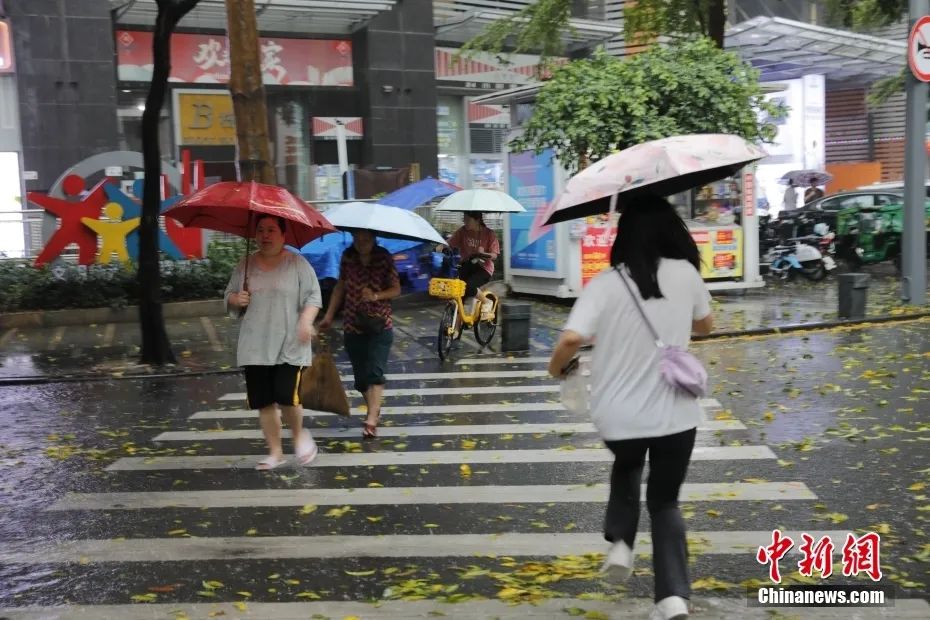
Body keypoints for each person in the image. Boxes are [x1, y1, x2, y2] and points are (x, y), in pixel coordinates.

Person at [547, 194, 714, 620]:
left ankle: (621, 541)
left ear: (623, 237)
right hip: (677, 413)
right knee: (665, 502)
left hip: (619, 413)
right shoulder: (685, 273)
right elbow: (705, 324)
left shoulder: (605, 284)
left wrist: (555, 369)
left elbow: (570, 339)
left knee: (627, 465)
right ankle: (673, 597)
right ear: (668, 230)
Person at [225, 215, 323, 470]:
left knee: (286, 395)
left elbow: (313, 297)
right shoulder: (244, 265)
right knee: (264, 401)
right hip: (255, 345)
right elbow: (228, 296)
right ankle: (276, 452)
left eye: (271, 230)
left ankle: (300, 435)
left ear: (283, 235)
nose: (265, 235)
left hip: (290, 343)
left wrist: (305, 321)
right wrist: (237, 299)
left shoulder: (297, 264)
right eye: (260, 230)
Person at [319, 229, 400, 439]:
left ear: (374, 238)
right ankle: (374, 407)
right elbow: (340, 287)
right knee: (361, 380)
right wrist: (328, 315)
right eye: (357, 238)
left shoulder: (384, 257)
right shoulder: (348, 256)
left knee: (375, 371)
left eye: (366, 238)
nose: (361, 242)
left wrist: (375, 295)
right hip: (353, 324)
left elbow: (396, 289)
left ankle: (372, 418)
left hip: (379, 324)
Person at [442, 212, 500, 318]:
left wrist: (483, 254)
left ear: (477, 220)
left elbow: (494, 255)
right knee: (458, 295)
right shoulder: (462, 231)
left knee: (469, 287)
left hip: (483, 269)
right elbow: (448, 243)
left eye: (467, 219)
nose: (464, 222)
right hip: (467, 266)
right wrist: (436, 248)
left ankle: (487, 302)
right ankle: (455, 331)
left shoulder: (489, 234)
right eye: (464, 219)